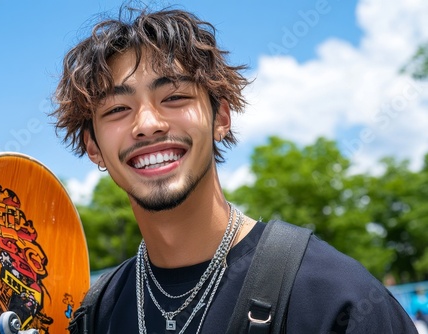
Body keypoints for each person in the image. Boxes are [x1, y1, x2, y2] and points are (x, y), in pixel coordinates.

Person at [52, 6, 417, 333]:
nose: (147, 123)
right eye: (117, 109)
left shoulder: (334, 298)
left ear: (220, 118)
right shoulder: (96, 313)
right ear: (93, 147)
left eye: (174, 97)